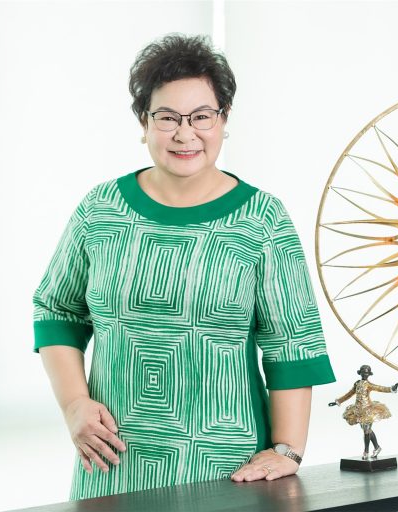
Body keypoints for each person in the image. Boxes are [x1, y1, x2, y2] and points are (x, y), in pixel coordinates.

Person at [33, 33, 335, 500]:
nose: (185, 133)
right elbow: (57, 310)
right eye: (167, 117)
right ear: (144, 122)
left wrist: (288, 450)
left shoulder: (262, 219)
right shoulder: (101, 210)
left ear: (224, 120)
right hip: (112, 468)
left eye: (201, 116)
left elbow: (293, 343)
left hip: (227, 474)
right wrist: (74, 404)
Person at [329, 365, 398, 460]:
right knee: (367, 430)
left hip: (368, 410)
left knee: (366, 431)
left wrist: (391, 389)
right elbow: (349, 394)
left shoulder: (368, 384)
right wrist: (338, 401)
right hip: (358, 410)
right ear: (360, 373)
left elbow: (379, 388)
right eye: (363, 372)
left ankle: (366, 451)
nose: (365, 374)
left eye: (367, 373)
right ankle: (377, 447)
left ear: (369, 374)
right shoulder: (357, 383)